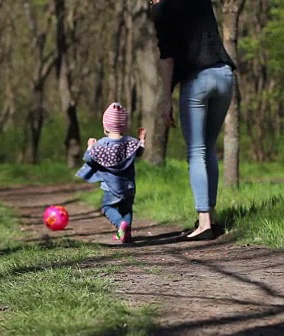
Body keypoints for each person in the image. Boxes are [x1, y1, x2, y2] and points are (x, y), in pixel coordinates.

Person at [151, 0, 235, 240]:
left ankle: (204, 222)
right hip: (224, 75)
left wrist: (166, 98)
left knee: (196, 151)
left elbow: (167, 57)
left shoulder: (161, 10)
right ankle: (211, 217)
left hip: (197, 80)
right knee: (208, 147)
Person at [76, 103, 146, 243]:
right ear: (124, 126)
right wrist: (142, 140)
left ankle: (120, 224)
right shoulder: (131, 143)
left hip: (111, 187)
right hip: (129, 186)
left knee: (107, 207)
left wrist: (90, 146)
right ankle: (126, 234)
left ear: (105, 127)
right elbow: (140, 152)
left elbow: (88, 158)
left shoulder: (101, 145)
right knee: (126, 209)